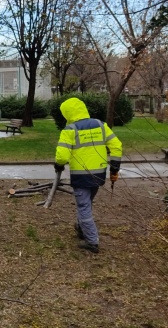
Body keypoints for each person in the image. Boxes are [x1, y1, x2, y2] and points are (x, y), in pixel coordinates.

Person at [54, 97, 123, 253]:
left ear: (67, 113)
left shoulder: (70, 130)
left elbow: (62, 156)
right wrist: (114, 168)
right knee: (87, 202)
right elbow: (116, 146)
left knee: (84, 206)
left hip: (81, 176)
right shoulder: (101, 126)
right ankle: (81, 228)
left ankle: (92, 241)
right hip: (98, 174)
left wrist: (58, 164)